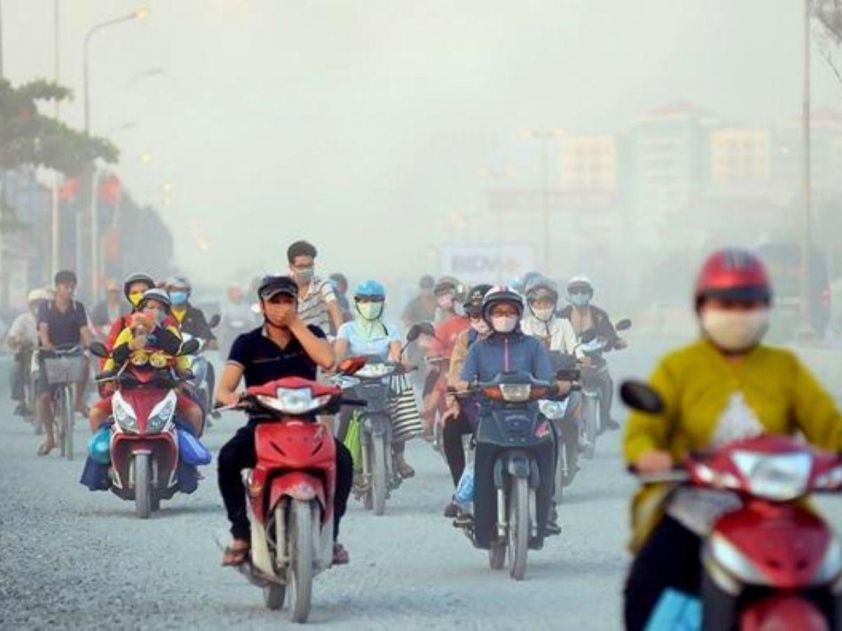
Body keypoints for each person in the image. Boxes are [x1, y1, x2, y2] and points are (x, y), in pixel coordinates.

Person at [622, 248, 842, 631]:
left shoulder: (784, 368)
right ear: (702, 307)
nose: (738, 314)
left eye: (748, 304)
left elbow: (827, 423)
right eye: (726, 304)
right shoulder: (679, 367)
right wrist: (648, 455)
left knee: (828, 574)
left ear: (765, 307)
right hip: (698, 507)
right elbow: (643, 430)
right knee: (647, 582)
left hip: (779, 509)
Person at [215, 275, 353, 566]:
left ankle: (332, 536)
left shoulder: (311, 333)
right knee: (228, 457)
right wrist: (236, 399)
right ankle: (240, 533)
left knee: (343, 459)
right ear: (262, 305)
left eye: (288, 301)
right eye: (274, 301)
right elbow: (224, 389)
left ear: (296, 304)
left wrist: (295, 324)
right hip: (262, 425)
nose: (281, 307)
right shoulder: (247, 343)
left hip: (308, 425)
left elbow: (328, 361)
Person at [457, 285, 558, 541]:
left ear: (519, 314)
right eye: (499, 312)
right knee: (480, 455)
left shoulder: (533, 346)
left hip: (530, 413)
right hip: (490, 414)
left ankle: (548, 507)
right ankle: (480, 517)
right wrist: (462, 387)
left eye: (510, 311)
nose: (505, 317)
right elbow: (464, 380)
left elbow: (547, 378)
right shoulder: (477, 349)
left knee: (552, 437)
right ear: (488, 315)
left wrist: (557, 385)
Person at [88, 289, 205, 438]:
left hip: (162, 390)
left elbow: (178, 352)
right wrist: (130, 347)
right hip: (128, 391)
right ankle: (105, 451)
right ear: (140, 310)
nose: (154, 312)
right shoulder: (128, 333)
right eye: (150, 307)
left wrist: (185, 371)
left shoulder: (168, 332)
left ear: (166, 313)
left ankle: (185, 449)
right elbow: (114, 356)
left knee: (195, 413)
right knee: (96, 413)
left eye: (160, 309)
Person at [334, 280, 415, 478]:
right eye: (364, 301)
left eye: (374, 300)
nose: (369, 305)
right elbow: (338, 354)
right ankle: (339, 460)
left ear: (383, 303)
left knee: (396, 410)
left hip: (381, 382)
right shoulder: (347, 329)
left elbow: (397, 353)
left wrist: (403, 363)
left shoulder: (390, 329)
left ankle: (400, 458)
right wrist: (335, 364)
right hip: (354, 383)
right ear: (356, 303)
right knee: (346, 414)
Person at [440, 283, 492, 517]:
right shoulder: (465, 339)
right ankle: (461, 492)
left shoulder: (518, 338)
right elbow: (455, 374)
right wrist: (453, 403)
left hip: (510, 404)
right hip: (473, 402)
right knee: (450, 427)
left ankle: (544, 498)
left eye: (484, 314)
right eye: (474, 315)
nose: (479, 320)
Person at [35, 270, 92, 456]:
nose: (69, 290)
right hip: (49, 354)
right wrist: (46, 343)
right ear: (57, 287)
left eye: (72, 287)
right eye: (66, 286)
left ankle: (78, 402)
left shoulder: (78, 307)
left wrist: (89, 344)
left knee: (85, 362)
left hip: (72, 351)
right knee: (44, 397)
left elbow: (84, 329)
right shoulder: (45, 307)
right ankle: (50, 437)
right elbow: (43, 328)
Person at [558, 275, 625, 432]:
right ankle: (560, 416)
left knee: (607, 382)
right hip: (570, 360)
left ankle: (605, 417)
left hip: (595, 358)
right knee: (560, 385)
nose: (580, 295)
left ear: (590, 294)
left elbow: (609, 333)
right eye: (576, 292)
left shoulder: (599, 314)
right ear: (570, 294)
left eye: (583, 291)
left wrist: (617, 341)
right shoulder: (562, 315)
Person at [286, 240, 344, 336]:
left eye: (309, 265)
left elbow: (334, 307)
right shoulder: (283, 286)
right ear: (291, 267)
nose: (305, 270)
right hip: (293, 340)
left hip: (320, 340)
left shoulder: (321, 284)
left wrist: (341, 337)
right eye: (301, 266)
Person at [7, 289, 48, 416]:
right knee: (15, 368)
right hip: (28, 355)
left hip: (49, 354)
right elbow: (12, 337)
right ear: (29, 305)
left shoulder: (53, 318)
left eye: (41, 303)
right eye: (35, 303)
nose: (37, 306)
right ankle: (21, 402)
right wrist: (16, 341)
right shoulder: (22, 320)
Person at [104, 272, 157, 354]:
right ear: (129, 296)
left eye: (143, 291)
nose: (140, 295)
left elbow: (176, 350)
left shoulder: (166, 321)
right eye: (134, 293)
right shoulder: (121, 323)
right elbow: (109, 353)